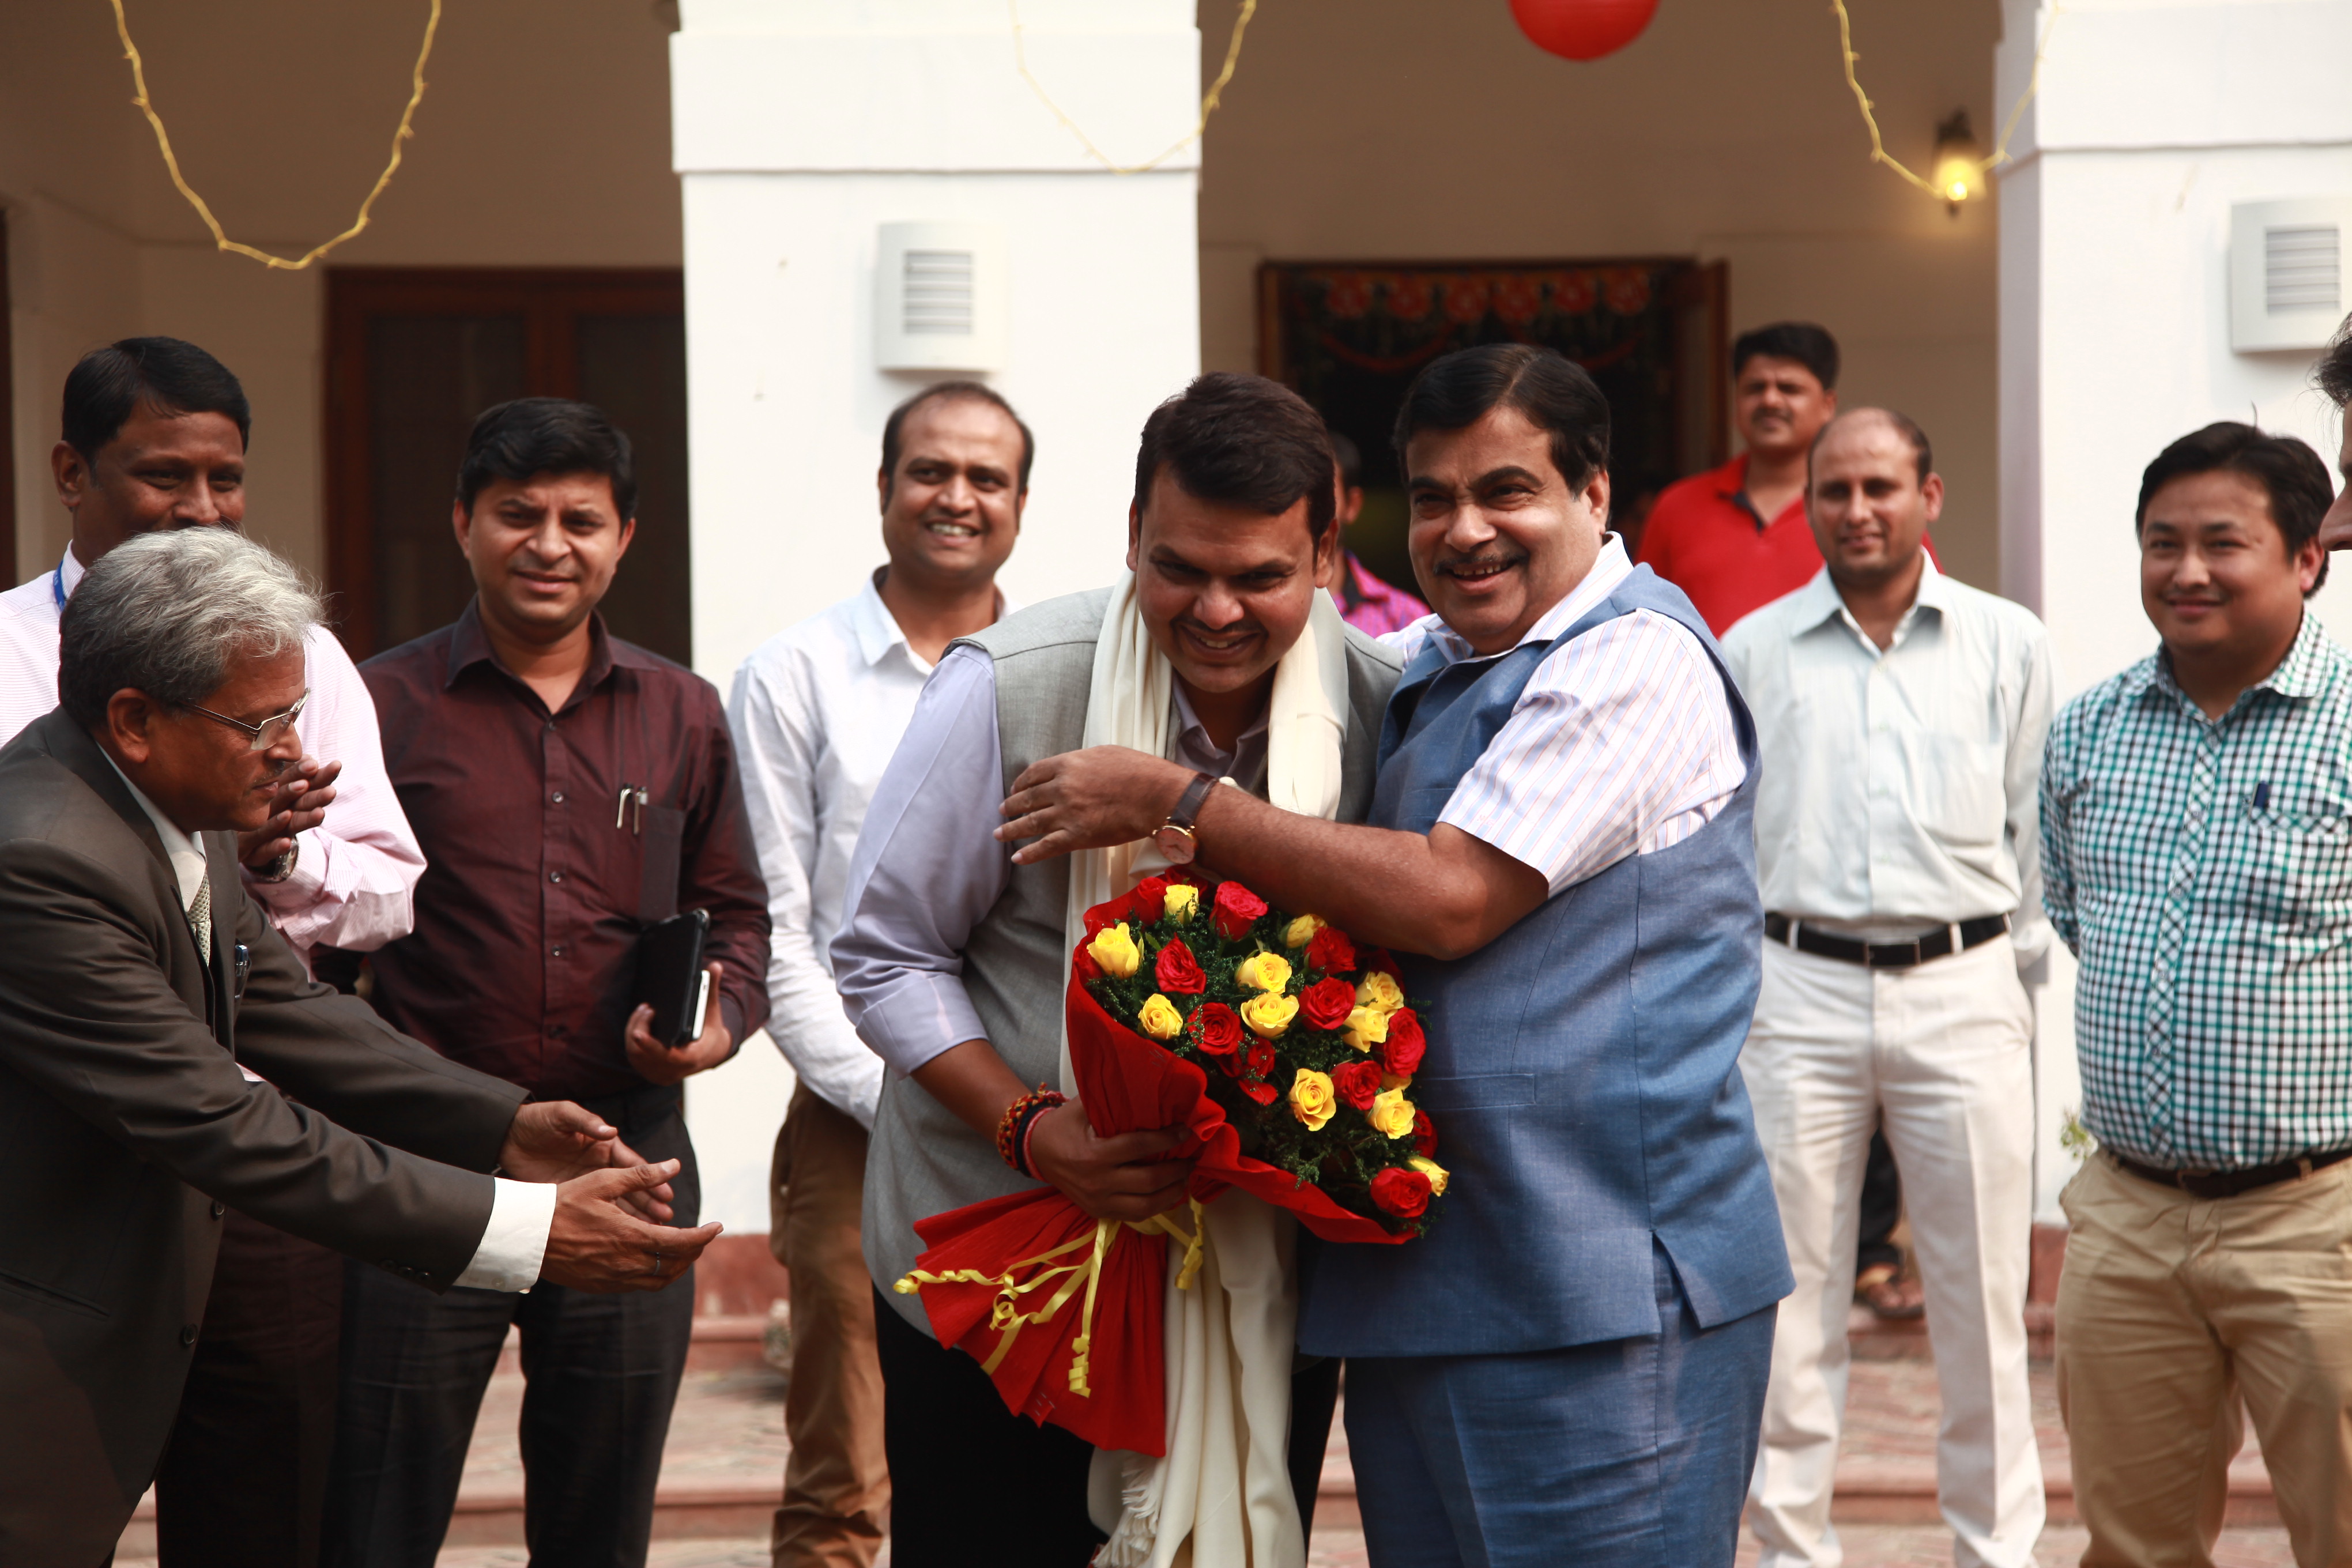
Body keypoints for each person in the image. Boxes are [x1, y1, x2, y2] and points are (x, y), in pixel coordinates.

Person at [998, 343, 1792, 1567]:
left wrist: (1181, 799)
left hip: (1597, 1296)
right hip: (1432, 1283)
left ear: (1595, 494)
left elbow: (1452, 897)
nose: (1466, 530)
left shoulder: (1635, 661)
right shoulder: (1433, 665)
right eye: (1432, 497)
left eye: (1507, 490)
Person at [0, 526, 714, 1566]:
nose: (295, 748)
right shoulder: (44, 859)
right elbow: (226, 1119)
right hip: (37, 1351)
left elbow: (292, 1012)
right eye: (263, 722)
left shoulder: (171, 796)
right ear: (134, 720)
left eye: (294, 709)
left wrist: (504, 1124)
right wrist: (524, 1230)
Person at [830, 372, 1401, 1567]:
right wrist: (1038, 1128)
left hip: (1259, 1266)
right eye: (1183, 567)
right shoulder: (1011, 681)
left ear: (1327, 555)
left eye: (1262, 577)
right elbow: (887, 956)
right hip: (1004, 1256)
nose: (1219, 610)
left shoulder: (1377, 704)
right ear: (1133, 534)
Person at [0, 336, 425, 1568]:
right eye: (164, 475)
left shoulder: (294, 652)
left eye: (225, 479)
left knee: (265, 1480)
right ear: (74, 473)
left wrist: (274, 857)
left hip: (260, 1143)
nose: (200, 508)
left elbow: (386, 894)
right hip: (49, 1169)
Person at [325, 399, 773, 1568]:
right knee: (376, 1513)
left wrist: (715, 1026)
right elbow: (315, 947)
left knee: (601, 1518)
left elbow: (737, 915)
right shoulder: (377, 706)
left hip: (627, 1156)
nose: (548, 542)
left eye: (581, 518)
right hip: (428, 1165)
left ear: (625, 537)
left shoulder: (685, 712)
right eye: (518, 514)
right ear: (464, 523)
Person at [1721, 409, 2054, 1568]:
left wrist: (2009, 981)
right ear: (1808, 502)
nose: (1857, 509)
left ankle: (1995, 1553)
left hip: (1963, 985)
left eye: (1880, 487)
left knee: (1982, 1303)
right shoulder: (1751, 650)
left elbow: (2035, 831)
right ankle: (1792, 1552)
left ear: (1931, 495)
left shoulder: (2008, 642)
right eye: (1835, 490)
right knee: (1791, 1300)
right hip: (1796, 988)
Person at [728, 380, 1031, 1568]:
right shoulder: (794, 673)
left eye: (987, 478)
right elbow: (779, 922)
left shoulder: (1049, 661)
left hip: (1038, 1116)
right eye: (930, 471)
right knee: (846, 1472)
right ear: (885, 488)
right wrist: (912, 1085)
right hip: (860, 1115)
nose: (957, 497)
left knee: (1028, 1439)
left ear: (1018, 504)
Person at [2042, 420, 2352, 1564]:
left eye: (2223, 541)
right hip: (2128, 1219)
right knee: (2131, 1544)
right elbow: (2077, 913)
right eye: (2160, 542)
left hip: (2321, 1221)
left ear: (2307, 556)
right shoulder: (2087, 732)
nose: (2187, 570)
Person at [1637, 321, 1843, 636]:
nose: (1770, 400)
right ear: (1736, 402)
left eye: (1789, 388)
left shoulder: (1861, 509)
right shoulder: (1676, 507)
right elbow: (1641, 623)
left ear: (1828, 405)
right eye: (1755, 388)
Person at [1324, 430, 1433, 636]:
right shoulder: (1259, 610)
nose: (1306, 512)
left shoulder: (1405, 619)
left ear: (1353, 505)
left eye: (1323, 497)